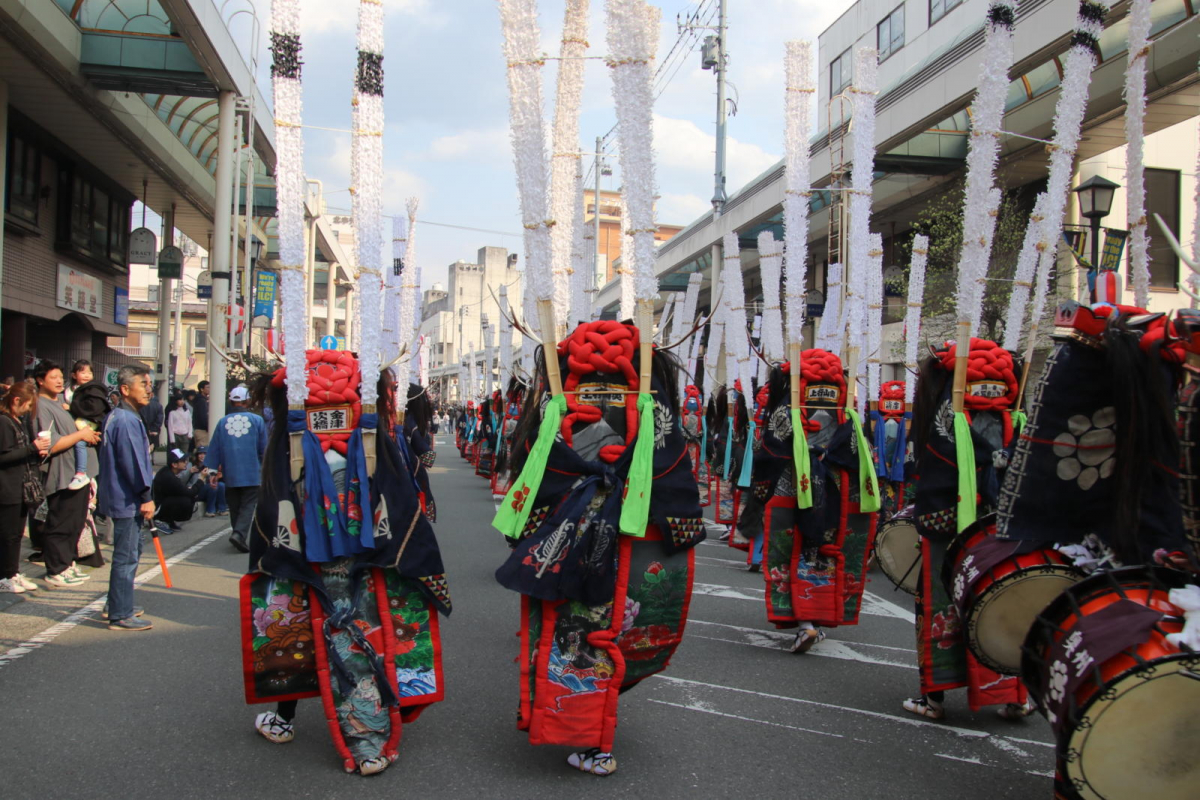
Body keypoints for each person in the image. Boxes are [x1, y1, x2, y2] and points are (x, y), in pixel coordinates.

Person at [97, 364, 156, 631]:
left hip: (121, 495)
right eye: (143, 384)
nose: (148, 389)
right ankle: (119, 614)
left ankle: (116, 604)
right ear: (124, 389)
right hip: (128, 497)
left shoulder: (119, 416)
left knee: (129, 552)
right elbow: (133, 463)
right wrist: (146, 495)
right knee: (127, 556)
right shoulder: (126, 419)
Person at [34, 361, 102, 589]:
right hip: (62, 473)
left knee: (75, 522)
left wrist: (87, 435)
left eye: (60, 376)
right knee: (60, 523)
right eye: (53, 376)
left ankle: (67, 562)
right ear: (40, 380)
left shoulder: (62, 402)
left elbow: (77, 431)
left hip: (77, 472)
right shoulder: (40, 405)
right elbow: (51, 444)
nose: (58, 380)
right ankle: (56, 568)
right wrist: (81, 435)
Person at [0, 382, 49, 593]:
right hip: (7, 486)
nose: (29, 410)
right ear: (16, 401)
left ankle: (12, 572)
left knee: (17, 534)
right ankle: (5, 575)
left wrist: (35, 452)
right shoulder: (3, 422)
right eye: (28, 405)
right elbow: (4, 456)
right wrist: (31, 448)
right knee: (8, 535)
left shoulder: (15, 420)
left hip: (19, 485)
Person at [207, 384, 266, 552]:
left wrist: (212, 471)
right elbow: (264, 448)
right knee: (248, 504)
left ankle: (237, 533)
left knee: (234, 504)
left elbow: (215, 448)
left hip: (230, 471)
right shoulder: (257, 420)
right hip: (252, 471)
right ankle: (239, 534)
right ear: (248, 401)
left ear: (231, 401)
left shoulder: (222, 422)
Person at [67, 380, 111, 492]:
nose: (86, 376)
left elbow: (91, 409)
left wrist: (72, 407)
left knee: (80, 443)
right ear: (74, 375)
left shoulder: (94, 391)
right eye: (82, 373)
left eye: (88, 373)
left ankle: (81, 473)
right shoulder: (71, 390)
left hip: (90, 426)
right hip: (88, 427)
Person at [152, 448, 202, 532]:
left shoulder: (168, 471)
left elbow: (181, 486)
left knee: (188, 498)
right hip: (157, 508)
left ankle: (168, 520)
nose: (186, 462)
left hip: (163, 502)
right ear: (174, 464)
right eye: (183, 460)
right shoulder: (168, 476)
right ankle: (159, 519)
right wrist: (201, 479)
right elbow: (190, 492)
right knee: (186, 501)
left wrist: (190, 473)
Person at [193, 446, 227, 517]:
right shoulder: (192, 466)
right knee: (212, 486)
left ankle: (222, 509)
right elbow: (185, 480)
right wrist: (190, 472)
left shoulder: (211, 466)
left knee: (221, 485)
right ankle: (210, 511)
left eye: (204, 454)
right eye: (200, 454)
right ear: (197, 456)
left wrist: (218, 477)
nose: (202, 456)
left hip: (208, 490)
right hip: (196, 491)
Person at [140, 386, 165, 451]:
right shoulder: (158, 405)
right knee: (152, 449)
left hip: (142, 432)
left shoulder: (139, 405)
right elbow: (159, 419)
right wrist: (154, 429)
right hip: (154, 432)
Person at [192, 380, 211, 449]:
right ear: (202, 389)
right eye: (208, 387)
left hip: (201, 429)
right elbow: (203, 416)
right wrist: (208, 427)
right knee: (203, 451)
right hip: (202, 430)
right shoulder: (201, 401)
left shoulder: (204, 400)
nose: (210, 389)